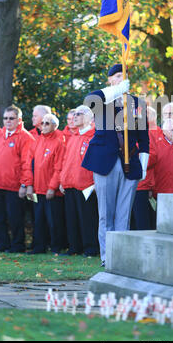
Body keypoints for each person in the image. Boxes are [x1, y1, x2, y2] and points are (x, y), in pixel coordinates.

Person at [82, 63, 149, 266]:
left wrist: (144, 164)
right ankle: (106, 256)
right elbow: (89, 100)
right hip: (105, 162)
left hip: (130, 164)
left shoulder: (137, 103)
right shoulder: (102, 101)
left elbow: (144, 139)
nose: (120, 79)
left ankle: (120, 255)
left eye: (123, 76)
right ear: (110, 80)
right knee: (106, 214)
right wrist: (117, 90)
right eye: (117, 76)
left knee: (123, 214)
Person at [0, 106, 35, 252]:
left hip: (14, 186)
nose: (8, 121)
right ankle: (3, 243)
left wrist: (24, 184)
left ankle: (17, 245)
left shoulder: (25, 137)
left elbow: (27, 163)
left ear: (19, 120)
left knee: (15, 217)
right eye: (5, 118)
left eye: (11, 118)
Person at [60, 105, 99, 257]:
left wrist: (95, 183)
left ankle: (91, 248)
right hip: (70, 184)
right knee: (72, 218)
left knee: (87, 218)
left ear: (89, 117)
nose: (75, 116)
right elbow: (65, 161)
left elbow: (97, 162)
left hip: (86, 186)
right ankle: (74, 247)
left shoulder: (94, 137)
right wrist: (62, 180)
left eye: (79, 114)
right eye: (74, 114)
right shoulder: (73, 137)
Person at [24, 114, 66, 254]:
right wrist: (29, 185)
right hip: (37, 189)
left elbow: (58, 167)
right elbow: (28, 164)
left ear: (55, 125)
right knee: (38, 220)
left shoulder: (59, 142)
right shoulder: (36, 141)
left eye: (47, 123)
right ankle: (39, 247)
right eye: (42, 123)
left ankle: (56, 247)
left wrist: (52, 187)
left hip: (51, 191)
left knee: (54, 222)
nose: (43, 126)